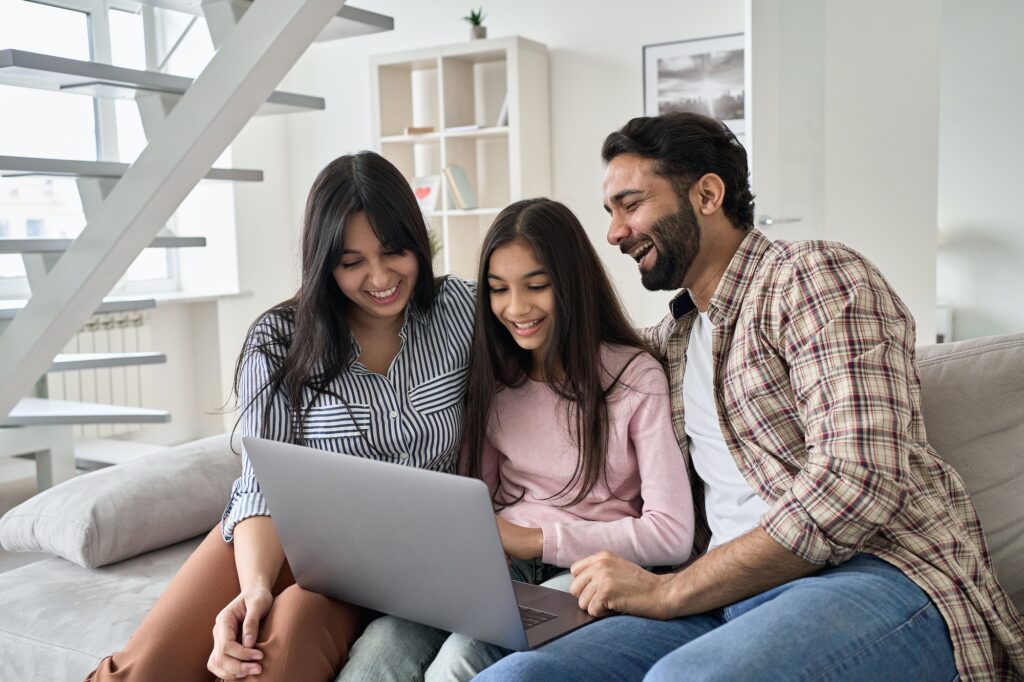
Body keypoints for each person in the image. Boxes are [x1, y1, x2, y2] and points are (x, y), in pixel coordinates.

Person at [476, 113, 1024, 681]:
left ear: (708, 194)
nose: (614, 232)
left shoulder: (814, 278)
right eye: (609, 213)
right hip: (718, 598)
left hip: (871, 574)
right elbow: (572, 365)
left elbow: (857, 483)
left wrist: (672, 591)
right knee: (513, 678)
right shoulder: (671, 343)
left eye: (630, 204)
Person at [86, 151, 476, 682]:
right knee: (147, 667)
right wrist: (254, 589)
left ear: (416, 240)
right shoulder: (278, 339)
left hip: (388, 559)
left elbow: (563, 338)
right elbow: (260, 482)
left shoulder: (461, 311)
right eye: (351, 262)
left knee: (278, 647)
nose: (380, 277)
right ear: (323, 263)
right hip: (274, 531)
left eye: (394, 252)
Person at [420, 198, 693, 681]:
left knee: (460, 659)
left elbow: (671, 535)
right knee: (384, 652)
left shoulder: (633, 377)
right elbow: (474, 502)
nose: (516, 308)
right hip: (501, 568)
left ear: (571, 283)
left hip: (588, 574)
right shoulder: (495, 381)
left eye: (537, 286)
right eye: (498, 290)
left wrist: (534, 540)